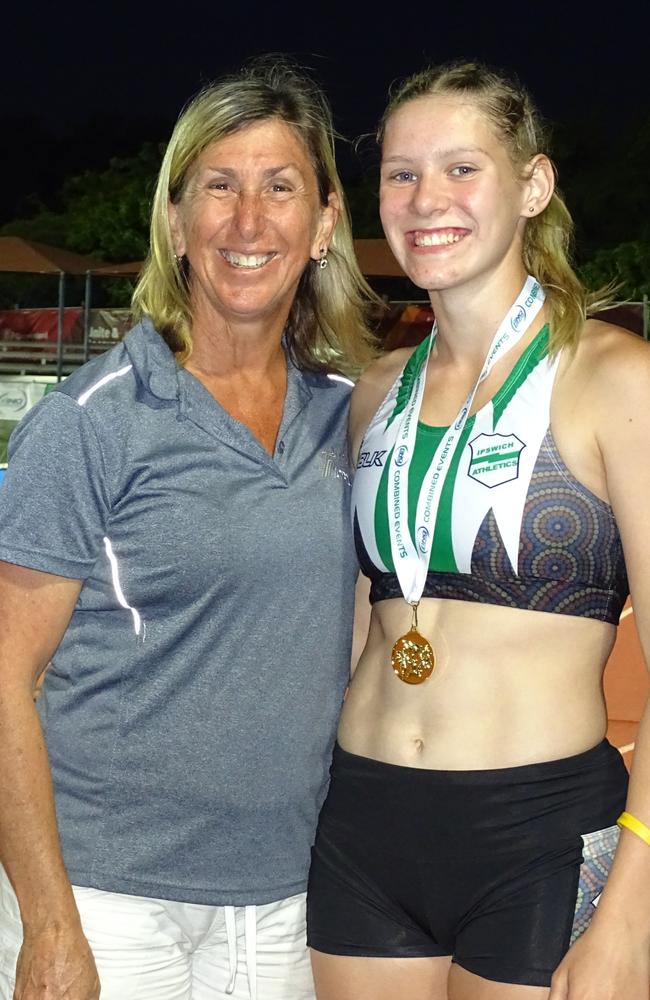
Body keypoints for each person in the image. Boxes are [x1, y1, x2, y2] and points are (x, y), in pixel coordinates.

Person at [0, 60, 377, 1000]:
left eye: (279, 188)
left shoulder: (352, 416)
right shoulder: (92, 419)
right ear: (176, 221)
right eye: (220, 186)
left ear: (325, 222)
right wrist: (49, 924)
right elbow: (6, 677)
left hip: (289, 898)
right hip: (110, 900)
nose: (249, 223)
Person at [307, 61, 650, 1000]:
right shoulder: (374, 391)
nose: (427, 200)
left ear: (533, 186)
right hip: (363, 825)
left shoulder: (617, 379)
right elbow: (360, 618)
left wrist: (633, 913)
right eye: (402, 174)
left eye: (462, 169)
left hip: (534, 835)